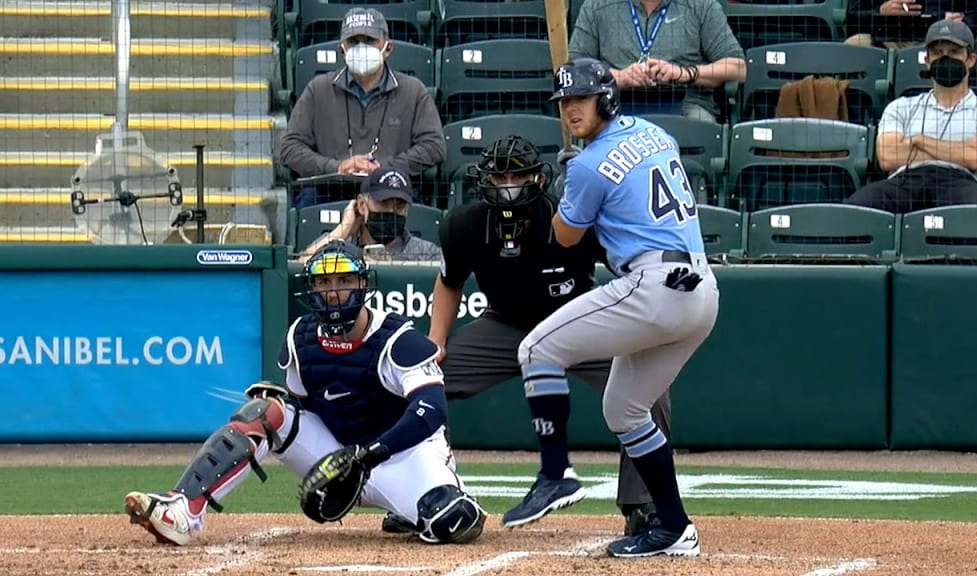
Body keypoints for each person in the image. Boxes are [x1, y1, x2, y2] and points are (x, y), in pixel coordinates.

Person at [390, 134, 672, 537]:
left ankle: (645, 506)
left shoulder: (572, 219)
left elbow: (627, 267)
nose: (508, 185)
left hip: (579, 324)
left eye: (517, 175)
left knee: (650, 388)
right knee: (422, 379)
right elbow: (449, 282)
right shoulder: (463, 224)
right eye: (500, 176)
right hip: (506, 325)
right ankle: (422, 495)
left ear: (538, 180)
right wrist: (437, 342)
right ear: (483, 179)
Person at [123, 241, 485, 547]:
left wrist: (371, 454)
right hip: (340, 459)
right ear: (311, 288)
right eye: (324, 281)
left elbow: (431, 409)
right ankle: (183, 509)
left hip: (398, 457)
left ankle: (414, 509)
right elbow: (303, 407)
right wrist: (284, 408)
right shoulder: (301, 337)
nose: (333, 291)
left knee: (454, 520)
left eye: (343, 280)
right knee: (264, 412)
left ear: (362, 284)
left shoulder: (399, 340)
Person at [499, 58, 719, 559]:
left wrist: (563, 190)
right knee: (623, 409)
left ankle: (555, 476)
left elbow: (564, 238)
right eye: (565, 102)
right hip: (701, 292)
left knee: (535, 350)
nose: (572, 108)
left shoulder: (588, 165)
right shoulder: (654, 133)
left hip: (655, 285)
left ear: (606, 98)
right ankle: (674, 527)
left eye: (581, 98)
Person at [279, 7, 445, 208]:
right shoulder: (318, 89)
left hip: (391, 189)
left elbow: (434, 146)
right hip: (330, 190)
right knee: (308, 204)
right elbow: (289, 148)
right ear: (342, 49)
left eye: (369, 40)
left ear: (388, 48)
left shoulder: (413, 91)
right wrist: (337, 167)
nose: (361, 47)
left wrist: (385, 169)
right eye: (353, 41)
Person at [846, 21, 977, 213]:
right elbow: (887, 157)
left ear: (971, 59)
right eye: (938, 53)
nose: (945, 58)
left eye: (954, 52)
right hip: (905, 180)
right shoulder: (901, 106)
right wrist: (963, 149)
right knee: (856, 206)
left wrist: (918, 141)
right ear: (927, 60)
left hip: (960, 183)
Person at [568, 0, 746, 122]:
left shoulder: (701, 5)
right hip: (615, 103)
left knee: (701, 126)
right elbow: (572, 70)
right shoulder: (597, 5)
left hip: (686, 103)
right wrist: (617, 77)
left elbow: (738, 68)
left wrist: (684, 73)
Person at [297, 166, 442, 262]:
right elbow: (301, 266)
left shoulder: (427, 253)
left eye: (399, 206)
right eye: (383, 203)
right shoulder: (339, 245)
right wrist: (342, 230)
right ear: (361, 205)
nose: (391, 211)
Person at [845, 0, 977, 49]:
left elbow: (976, 15)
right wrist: (880, 11)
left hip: (938, 40)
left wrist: (951, 21)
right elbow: (852, 18)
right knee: (853, 46)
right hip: (882, 38)